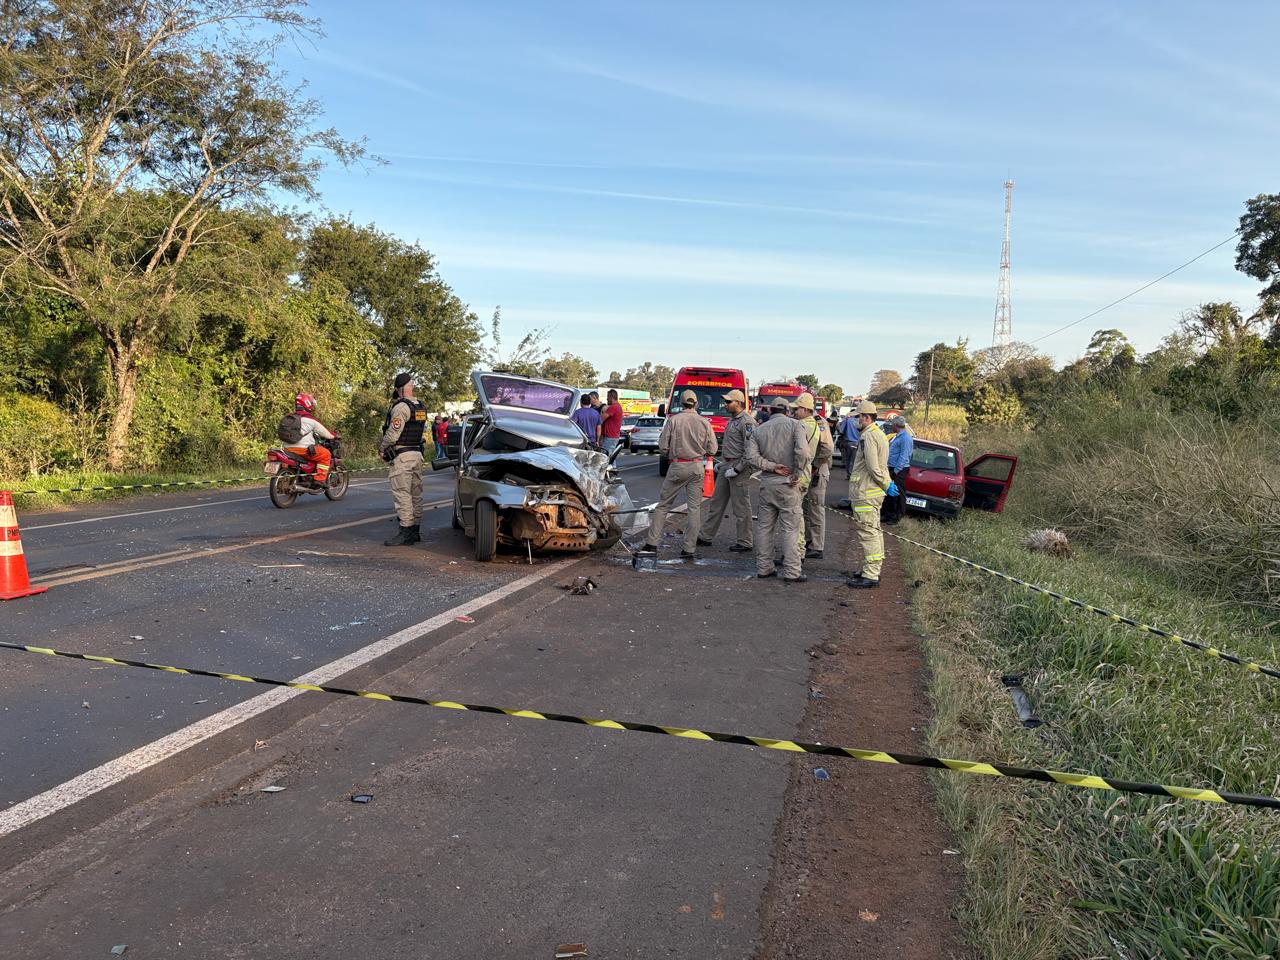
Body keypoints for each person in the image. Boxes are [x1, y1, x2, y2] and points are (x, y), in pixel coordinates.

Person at [637, 389, 717, 558]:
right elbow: (713, 449)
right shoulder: (705, 422)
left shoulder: (674, 421)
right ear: (696, 403)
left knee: (663, 505)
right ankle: (689, 549)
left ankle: (652, 544)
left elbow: (663, 447)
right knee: (694, 508)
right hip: (696, 467)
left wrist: (673, 452)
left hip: (678, 466)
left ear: (681, 403)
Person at [746, 398, 812, 582]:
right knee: (790, 530)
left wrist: (772, 466)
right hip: (788, 485)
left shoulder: (759, 430)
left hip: (767, 483)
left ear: (769, 410)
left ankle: (764, 568)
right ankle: (792, 572)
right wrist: (797, 474)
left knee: (764, 528)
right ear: (787, 410)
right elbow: (804, 453)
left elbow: (751, 457)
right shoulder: (796, 425)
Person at [697, 389, 754, 552]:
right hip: (727, 465)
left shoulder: (747, 422)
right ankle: (706, 536)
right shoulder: (732, 420)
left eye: (729, 402)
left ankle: (745, 541)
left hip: (738, 468)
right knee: (716, 503)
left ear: (739, 403)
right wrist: (722, 464)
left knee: (741, 507)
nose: (726, 404)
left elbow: (749, 450)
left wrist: (738, 469)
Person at [379, 372, 432, 546]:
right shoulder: (420, 406)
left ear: (398, 389)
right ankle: (415, 530)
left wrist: (382, 448)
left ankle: (406, 532)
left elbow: (393, 434)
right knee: (416, 494)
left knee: (403, 495)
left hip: (402, 456)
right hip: (416, 454)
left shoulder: (401, 407)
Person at [846, 400, 893, 588]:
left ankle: (871, 574)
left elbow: (873, 467)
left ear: (866, 417)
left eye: (858, 417)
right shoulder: (878, 434)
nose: (857, 420)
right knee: (873, 531)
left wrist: (886, 484)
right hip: (872, 492)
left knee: (868, 533)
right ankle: (871, 569)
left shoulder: (869, 437)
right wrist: (886, 485)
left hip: (866, 492)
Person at [793, 393, 834, 559]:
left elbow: (827, 448)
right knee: (805, 509)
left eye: (797, 409)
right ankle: (808, 541)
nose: (795, 412)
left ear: (805, 408)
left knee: (816, 509)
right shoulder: (804, 423)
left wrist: (815, 465)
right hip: (809, 469)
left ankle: (817, 546)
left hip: (817, 469)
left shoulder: (819, 423)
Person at [284, 393, 337, 486]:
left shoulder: (289, 417)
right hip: (302, 450)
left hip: (287, 449)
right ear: (307, 403)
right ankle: (319, 480)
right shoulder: (310, 419)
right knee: (326, 454)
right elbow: (325, 433)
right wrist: (334, 436)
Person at [882, 415, 913, 524]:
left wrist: (896, 470)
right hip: (893, 468)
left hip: (899, 470)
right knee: (890, 493)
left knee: (898, 494)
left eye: (892, 425)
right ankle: (888, 514)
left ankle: (897, 517)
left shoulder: (906, 438)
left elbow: (904, 456)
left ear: (896, 425)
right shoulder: (898, 436)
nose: (891, 427)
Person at [600, 389, 625, 456]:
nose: (607, 399)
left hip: (610, 437)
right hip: (613, 436)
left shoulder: (614, 407)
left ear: (611, 397)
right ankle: (613, 466)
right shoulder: (618, 407)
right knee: (611, 458)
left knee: (605, 457)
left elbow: (601, 419)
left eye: (608, 397)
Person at [839, 410, 860, 480]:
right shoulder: (860, 421)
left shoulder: (848, 420)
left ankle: (849, 474)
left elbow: (841, 430)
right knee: (854, 460)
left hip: (848, 442)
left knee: (848, 459)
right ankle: (852, 474)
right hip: (857, 443)